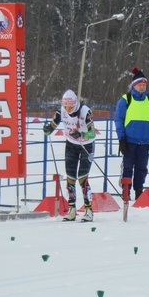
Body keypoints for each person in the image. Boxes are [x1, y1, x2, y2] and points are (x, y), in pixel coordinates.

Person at [43, 89, 97, 221]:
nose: (68, 109)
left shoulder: (85, 112)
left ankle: (88, 209)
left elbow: (93, 133)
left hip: (86, 146)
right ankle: (72, 209)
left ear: (75, 104)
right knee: (70, 177)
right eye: (65, 106)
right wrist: (48, 129)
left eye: (70, 107)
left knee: (82, 178)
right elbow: (53, 124)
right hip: (71, 145)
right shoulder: (62, 110)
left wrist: (82, 134)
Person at [113, 68, 149, 200]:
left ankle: (139, 191)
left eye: (144, 85)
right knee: (128, 166)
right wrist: (121, 139)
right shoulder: (126, 99)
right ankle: (126, 190)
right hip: (129, 141)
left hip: (144, 141)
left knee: (142, 168)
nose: (142, 87)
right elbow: (119, 120)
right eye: (140, 85)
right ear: (134, 85)